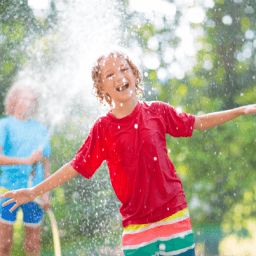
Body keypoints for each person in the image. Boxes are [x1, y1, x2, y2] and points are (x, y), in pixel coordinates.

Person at [1, 52, 256, 256]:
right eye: (110, 74)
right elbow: (75, 166)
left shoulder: (158, 111)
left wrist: (240, 110)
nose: (119, 76)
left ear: (134, 74)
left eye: (124, 69)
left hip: (173, 213)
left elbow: (198, 122)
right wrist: (33, 191)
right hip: (136, 224)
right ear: (102, 88)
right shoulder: (103, 128)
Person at [0, 86, 51, 256]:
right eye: (24, 99)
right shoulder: (4, 125)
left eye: (31, 100)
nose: (28, 103)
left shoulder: (41, 129)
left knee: (33, 244)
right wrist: (27, 160)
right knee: (4, 244)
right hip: (7, 191)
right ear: (14, 101)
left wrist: (46, 194)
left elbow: (46, 166)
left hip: (33, 193)